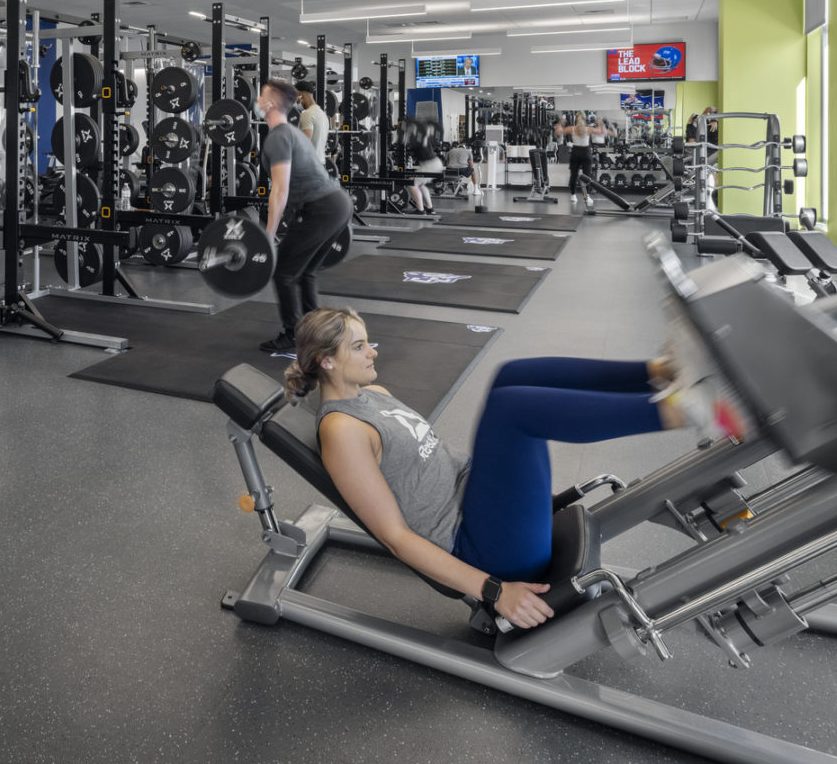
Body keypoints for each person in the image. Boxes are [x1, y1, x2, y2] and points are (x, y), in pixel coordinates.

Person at [285, 306, 723, 629]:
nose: (373, 352)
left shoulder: (371, 392)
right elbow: (396, 538)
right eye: (359, 346)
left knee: (509, 376)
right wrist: (495, 591)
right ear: (327, 361)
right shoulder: (342, 432)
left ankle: (663, 371)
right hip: (482, 550)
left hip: (481, 502)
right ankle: (681, 411)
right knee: (513, 410)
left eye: (369, 342)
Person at [256, 78, 353, 354]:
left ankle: (292, 336)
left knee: (284, 273)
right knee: (306, 271)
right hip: (338, 205)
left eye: (262, 96)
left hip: (321, 209)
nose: (258, 100)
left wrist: (268, 235)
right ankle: (317, 332)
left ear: (272, 103)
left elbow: (280, 190)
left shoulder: (278, 136)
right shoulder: (293, 132)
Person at [556, 114, 595, 203]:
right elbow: (603, 133)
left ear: (576, 120)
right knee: (587, 175)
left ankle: (573, 196)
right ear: (585, 120)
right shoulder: (589, 129)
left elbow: (558, 133)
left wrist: (560, 124)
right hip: (585, 152)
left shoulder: (571, 128)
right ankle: (586, 196)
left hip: (576, 152)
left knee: (573, 175)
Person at [293, 81, 330, 162]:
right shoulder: (323, 114)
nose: (295, 101)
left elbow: (304, 142)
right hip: (320, 162)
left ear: (301, 95)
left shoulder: (307, 114)